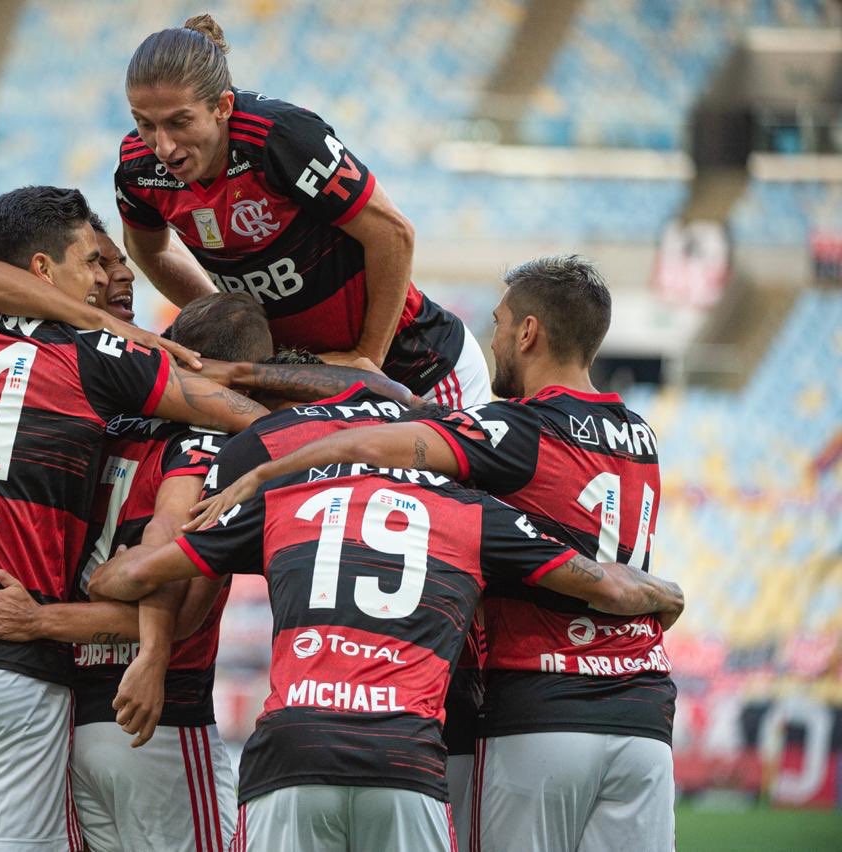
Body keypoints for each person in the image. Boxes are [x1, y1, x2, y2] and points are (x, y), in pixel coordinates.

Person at [192, 255, 677, 852]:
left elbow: (378, 438)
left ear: (528, 333)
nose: (492, 340)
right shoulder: (641, 437)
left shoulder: (513, 431)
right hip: (645, 711)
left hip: (535, 704)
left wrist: (270, 467)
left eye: (498, 324)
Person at [0, 185, 268, 852]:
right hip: (20, 667)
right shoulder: (100, 363)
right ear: (44, 271)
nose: (108, 280)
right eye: (93, 264)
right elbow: (239, 416)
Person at [88, 463, 684, 852]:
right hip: (404, 758)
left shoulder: (287, 498)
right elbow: (601, 585)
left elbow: (134, 575)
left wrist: (101, 575)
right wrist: (666, 595)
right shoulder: (474, 511)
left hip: (292, 751)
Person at [0, 292, 275, 852]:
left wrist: (41, 620)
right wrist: (149, 653)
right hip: (159, 719)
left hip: (76, 719)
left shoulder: (105, 426)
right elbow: (177, 585)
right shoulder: (210, 445)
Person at [115, 14, 489, 407]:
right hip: (304, 385)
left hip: (418, 368)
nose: (163, 147)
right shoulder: (139, 168)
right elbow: (151, 250)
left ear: (223, 106)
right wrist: (227, 315)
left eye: (180, 122)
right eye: (144, 123)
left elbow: (393, 234)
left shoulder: (282, 139)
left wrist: (367, 357)